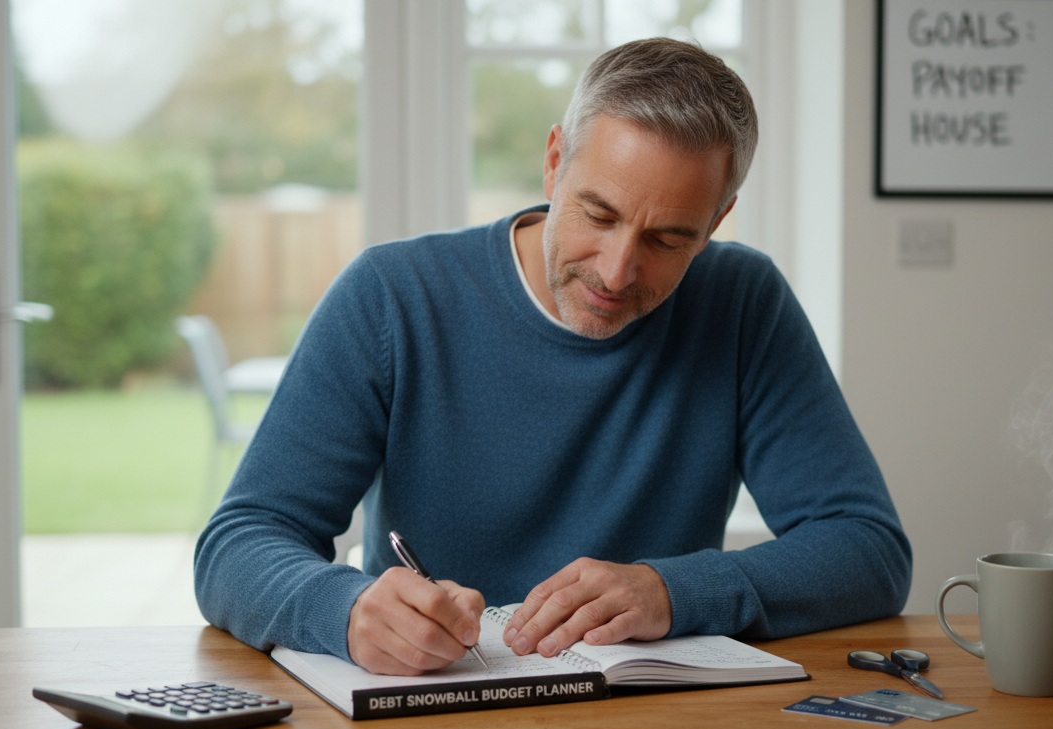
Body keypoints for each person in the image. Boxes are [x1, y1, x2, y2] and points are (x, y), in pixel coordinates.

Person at [194, 37, 911, 676]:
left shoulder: (742, 301)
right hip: (429, 717)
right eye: (598, 214)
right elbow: (239, 542)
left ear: (717, 220)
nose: (618, 270)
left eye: (669, 240)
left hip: (655, 725)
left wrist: (675, 590)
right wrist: (344, 610)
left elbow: (868, 549)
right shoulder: (392, 296)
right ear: (552, 163)